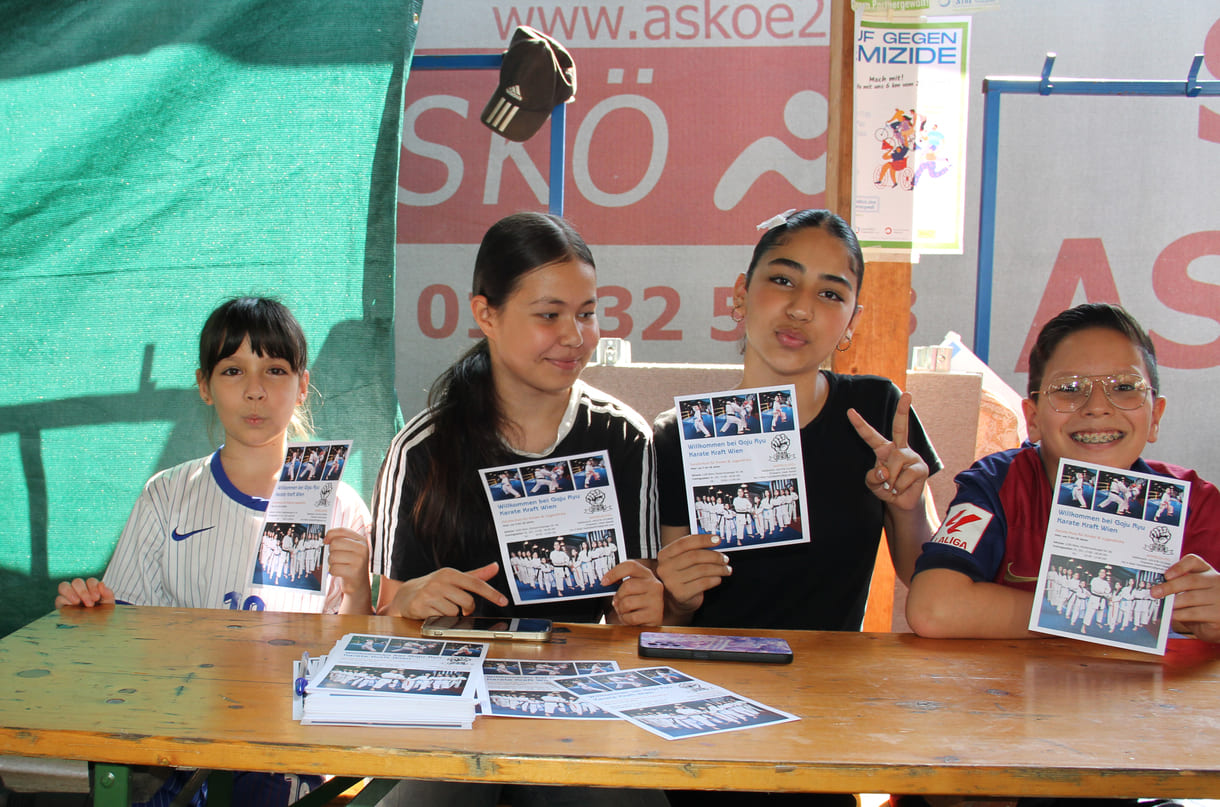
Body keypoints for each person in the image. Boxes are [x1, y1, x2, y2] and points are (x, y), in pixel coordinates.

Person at [369, 212, 666, 807]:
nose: (575, 335)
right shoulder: (420, 450)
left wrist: (652, 603)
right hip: (448, 718)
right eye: (549, 315)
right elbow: (380, 615)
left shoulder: (625, 439)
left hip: (580, 714)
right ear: (486, 314)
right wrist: (407, 602)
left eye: (586, 313)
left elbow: (643, 614)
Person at [653, 208, 940, 807]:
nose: (801, 307)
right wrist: (676, 596)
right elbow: (671, 624)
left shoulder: (878, 412)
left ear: (851, 321)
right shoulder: (681, 437)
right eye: (783, 279)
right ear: (741, 293)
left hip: (823, 713)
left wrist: (909, 505)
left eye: (830, 293)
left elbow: (922, 574)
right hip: (703, 715)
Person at [54, 296, 373, 806]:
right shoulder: (167, 494)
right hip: (180, 738)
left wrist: (359, 590)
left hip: (288, 747)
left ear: (302, 385)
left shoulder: (342, 507)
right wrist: (91, 610)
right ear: (204, 386)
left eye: (274, 369)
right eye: (232, 371)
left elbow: (357, 653)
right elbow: (122, 632)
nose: (254, 390)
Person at [906, 302, 1220, 644]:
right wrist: (1109, 617)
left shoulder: (1195, 504)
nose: (1097, 407)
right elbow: (934, 609)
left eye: (1124, 387)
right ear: (1034, 419)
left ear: (1155, 415)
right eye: (1069, 389)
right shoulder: (996, 486)